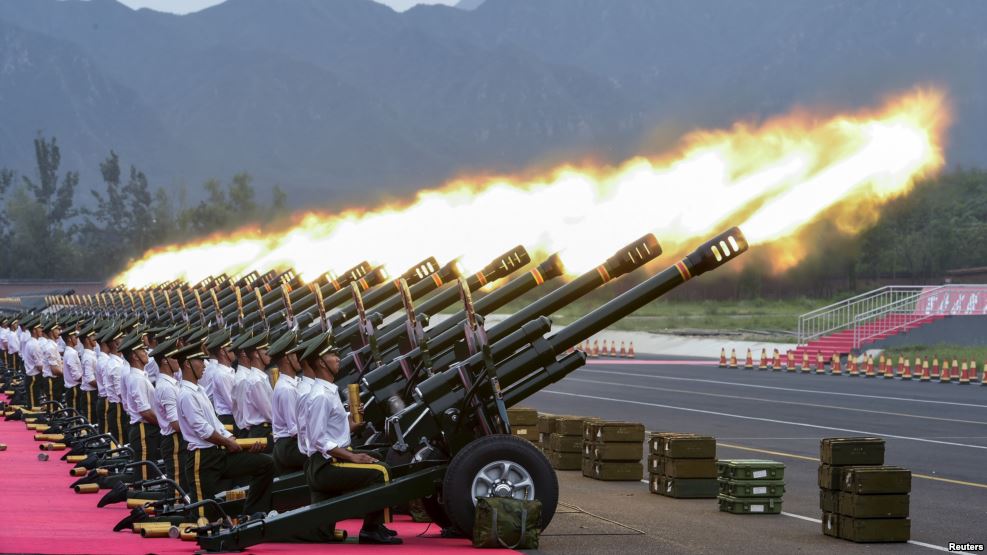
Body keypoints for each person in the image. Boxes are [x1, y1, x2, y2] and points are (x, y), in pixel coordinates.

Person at [300, 332, 401, 545]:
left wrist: (352, 423)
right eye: (332, 355)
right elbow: (319, 439)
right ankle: (370, 529)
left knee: (376, 455)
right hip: (324, 466)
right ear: (320, 362)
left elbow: (331, 429)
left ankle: (377, 524)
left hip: (329, 460)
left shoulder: (328, 390)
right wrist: (352, 457)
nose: (338, 358)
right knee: (380, 471)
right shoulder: (320, 395)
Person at [175, 342, 274, 520]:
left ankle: (251, 514)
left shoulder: (199, 390)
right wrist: (229, 442)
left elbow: (216, 423)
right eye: (200, 361)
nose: (205, 365)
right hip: (202, 458)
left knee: (265, 464)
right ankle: (154, 519)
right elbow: (203, 430)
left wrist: (234, 440)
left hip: (218, 453)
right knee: (203, 517)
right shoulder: (186, 394)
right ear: (188, 364)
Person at [120, 331, 160, 480]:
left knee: (149, 468)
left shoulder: (140, 375)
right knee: (144, 473)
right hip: (143, 429)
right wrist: (163, 423)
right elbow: (145, 412)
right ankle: (141, 497)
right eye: (142, 350)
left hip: (147, 428)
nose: (146, 352)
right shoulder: (137, 378)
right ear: (135, 356)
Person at [150, 337, 186, 493]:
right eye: (174, 356)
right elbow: (175, 424)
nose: (178, 360)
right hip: (174, 440)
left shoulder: (171, 382)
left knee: (182, 482)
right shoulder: (167, 387)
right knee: (178, 486)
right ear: (165, 360)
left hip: (177, 439)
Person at [269, 330, 305, 475]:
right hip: (290, 447)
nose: (300, 358)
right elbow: (296, 430)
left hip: (293, 444)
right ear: (286, 359)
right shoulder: (286, 389)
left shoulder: (293, 383)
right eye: (296, 354)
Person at [201, 330, 237, 433]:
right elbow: (233, 404)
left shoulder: (227, 371)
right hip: (229, 419)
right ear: (222, 351)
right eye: (229, 346)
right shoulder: (221, 374)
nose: (233, 349)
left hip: (233, 417)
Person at [79, 326, 99, 423]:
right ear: (87, 339)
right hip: (89, 395)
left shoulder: (91, 354)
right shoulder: (88, 357)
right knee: (90, 423)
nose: (95, 337)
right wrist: (104, 387)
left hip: (93, 393)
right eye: (92, 336)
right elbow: (90, 379)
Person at [61, 327, 83, 411]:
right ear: (69, 339)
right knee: (74, 415)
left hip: (72, 389)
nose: (77, 338)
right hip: (74, 389)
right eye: (75, 336)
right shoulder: (71, 353)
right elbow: (76, 376)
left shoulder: (70, 351)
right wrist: (88, 379)